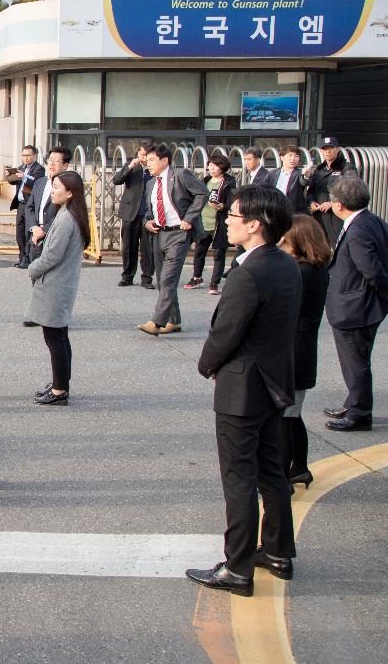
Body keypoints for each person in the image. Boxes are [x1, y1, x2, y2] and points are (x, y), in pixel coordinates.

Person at [187, 185, 299, 597]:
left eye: (232, 216)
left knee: (238, 478)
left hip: (243, 389)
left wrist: (206, 365)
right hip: (274, 386)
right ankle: (278, 551)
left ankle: (237, 568)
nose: (226, 222)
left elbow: (225, 333)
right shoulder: (285, 265)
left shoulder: (248, 272)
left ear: (254, 225)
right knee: (272, 471)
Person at [321, 177, 388, 432]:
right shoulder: (371, 220)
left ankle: (359, 414)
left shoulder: (358, 229)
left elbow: (371, 270)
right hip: (363, 305)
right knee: (358, 359)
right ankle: (354, 402)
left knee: (355, 363)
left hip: (356, 308)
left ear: (338, 204)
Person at [26, 171, 90, 405]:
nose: (52, 191)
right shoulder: (69, 214)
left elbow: (52, 255)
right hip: (60, 283)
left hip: (56, 285)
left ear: (70, 192)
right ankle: (60, 383)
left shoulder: (66, 219)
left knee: (55, 338)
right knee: (59, 337)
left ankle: (60, 389)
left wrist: (32, 268)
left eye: (56, 187)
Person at [277, 214, 331, 486]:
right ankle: (299, 466)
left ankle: (283, 476)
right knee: (292, 415)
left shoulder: (299, 272)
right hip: (304, 350)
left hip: (292, 352)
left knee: (285, 419)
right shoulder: (316, 268)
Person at [138, 144, 209, 336]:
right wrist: (147, 223)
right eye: (147, 160)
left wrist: (189, 218)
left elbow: (203, 193)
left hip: (179, 234)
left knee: (168, 279)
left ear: (165, 160)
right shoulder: (151, 184)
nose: (148, 163)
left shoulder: (180, 175)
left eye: (152, 160)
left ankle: (157, 321)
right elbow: (147, 212)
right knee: (162, 280)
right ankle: (174, 321)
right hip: (159, 234)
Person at [187, 154, 236, 295]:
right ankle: (197, 277)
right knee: (199, 251)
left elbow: (232, 203)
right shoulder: (205, 180)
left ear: (222, 167)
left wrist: (222, 206)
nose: (211, 168)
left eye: (214, 166)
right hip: (203, 220)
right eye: (210, 165)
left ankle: (214, 283)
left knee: (219, 253)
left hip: (219, 222)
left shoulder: (229, 182)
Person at [113, 142, 154, 288]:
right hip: (130, 212)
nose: (144, 158)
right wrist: (130, 166)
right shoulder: (131, 166)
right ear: (138, 153)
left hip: (148, 214)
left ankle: (147, 278)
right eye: (142, 155)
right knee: (128, 247)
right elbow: (116, 180)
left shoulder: (154, 169)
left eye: (148, 156)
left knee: (147, 248)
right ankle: (127, 276)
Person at [305, 135, 359, 246]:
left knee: (339, 247)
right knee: (319, 248)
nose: (328, 152)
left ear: (337, 149)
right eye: (325, 149)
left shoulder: (347, 168)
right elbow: (310, 191)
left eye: (331, 148)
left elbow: (350, 189)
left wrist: (332, 203)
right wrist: (310, 202)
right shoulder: (319, 170)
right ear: (321, 151)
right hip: (319, 217)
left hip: (338, 216)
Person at [24, 146, 70, 263]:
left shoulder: (68, 186)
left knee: (51, 276)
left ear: (65, 165)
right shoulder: (40, 182)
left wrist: (44, 230)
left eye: (56, 161)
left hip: (54, 236)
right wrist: (34, 228)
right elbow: (29, 207)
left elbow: (66, 211)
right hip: (35, 236)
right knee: (35, 274)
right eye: (50, 160)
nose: (52, 164)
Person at [8, 145, 45, 270]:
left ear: (34, 156)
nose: (26, 158)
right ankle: (22, 257)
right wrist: (11, 175)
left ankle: (29, 258)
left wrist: (24, 176)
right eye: (24, 155)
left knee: (28, 232)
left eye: (28, 155)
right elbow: (14, 181)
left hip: (30, 205)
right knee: (19, 233)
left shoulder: (39, 169)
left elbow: (35, 181)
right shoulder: (20, 168)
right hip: (20, 204)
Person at [271, 145, 308, 214]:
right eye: (290, 155)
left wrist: (306, 176)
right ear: (282, 157)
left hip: (293, 213)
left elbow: (303, 182)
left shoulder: (299, 173)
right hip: (274, 210)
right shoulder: (272, 174)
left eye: (296, 156)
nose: (293, 159)